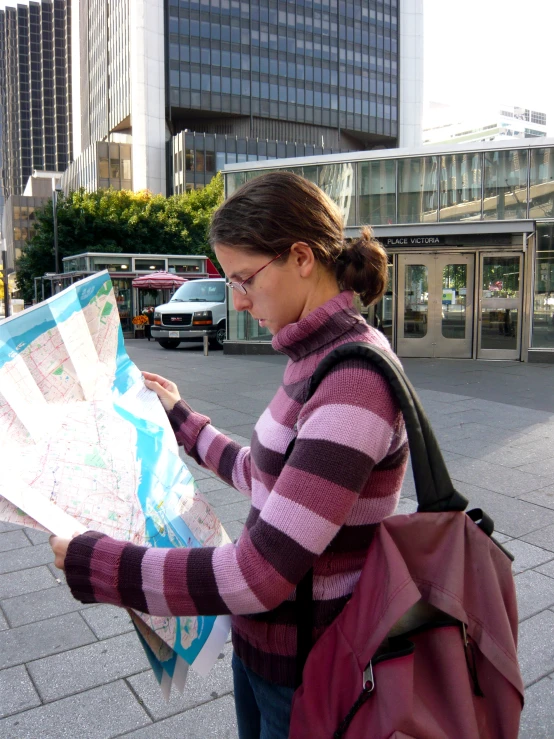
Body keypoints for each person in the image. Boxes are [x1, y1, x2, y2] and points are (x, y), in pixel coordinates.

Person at [50, 171, 408, 739]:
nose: (236, 299)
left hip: (312, 672)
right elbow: (270, 478)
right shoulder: (313, 356)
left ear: (300, 257)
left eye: (244, 279)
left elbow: (261, 574)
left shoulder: (353, 381)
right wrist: (183, 421)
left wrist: (99, 563)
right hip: (266, 654)